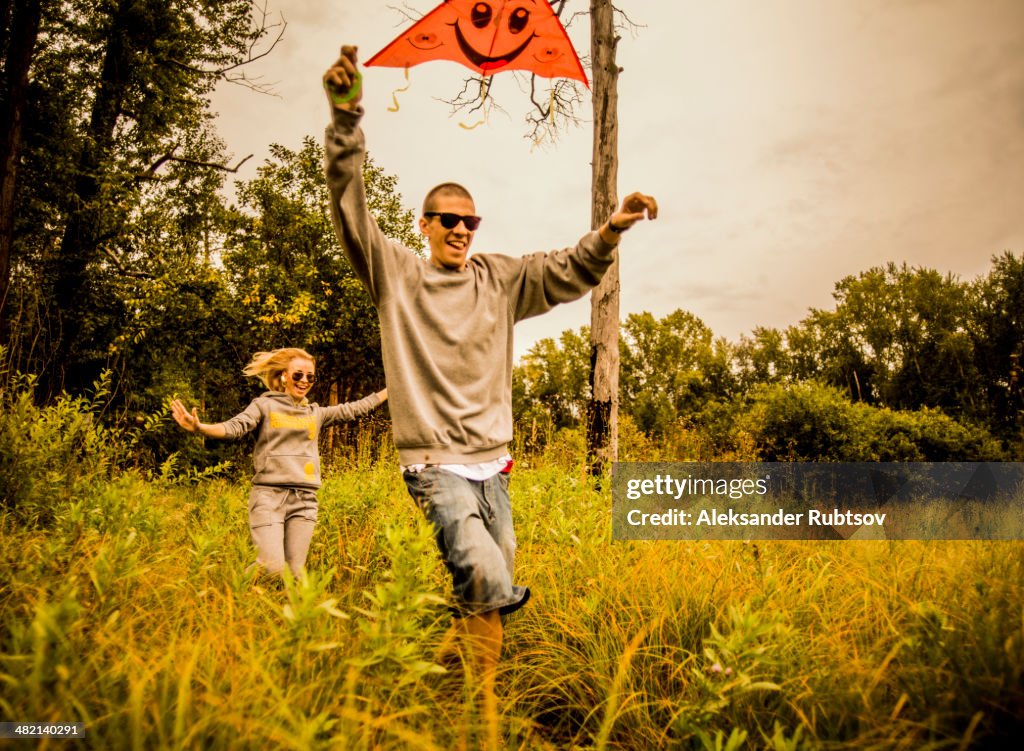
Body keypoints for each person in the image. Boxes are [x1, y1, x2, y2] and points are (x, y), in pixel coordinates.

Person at [323, 45, 657, 747]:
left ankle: (441, 679)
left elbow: (568, 270)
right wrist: (346, 117)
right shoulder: (397, 274)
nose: (460, 230)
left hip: (493, 464)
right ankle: (486, 719)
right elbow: (349, 209)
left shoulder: (499, 280)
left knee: (487, 590)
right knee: (483, 568)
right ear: (423, 224)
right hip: (433, 464)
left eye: (470, 222)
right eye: (447, 219)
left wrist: (613, 228)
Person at [171, 347, 387, 578]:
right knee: (272, 567)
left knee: (295, 573)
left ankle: (290, 611)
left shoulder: (316, 413)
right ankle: (236, 590)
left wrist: (390, 390)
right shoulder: (264, 406)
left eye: (310, 377)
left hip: (304, 500)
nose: (304, 381)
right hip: (269, 497)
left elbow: (355, 409)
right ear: (283, 376)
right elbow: (236, 427)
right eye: (298, 375)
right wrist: (201, 427)